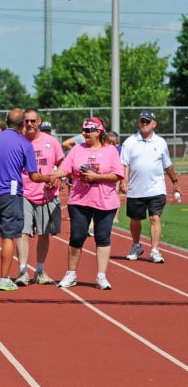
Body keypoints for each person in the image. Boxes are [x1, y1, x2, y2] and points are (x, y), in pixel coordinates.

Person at [52, 117, 124, 290]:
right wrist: (53, 176)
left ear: (98, 132)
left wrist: (96, 177)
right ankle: (71, 274)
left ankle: (101, 276)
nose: (84, 134)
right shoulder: (77, 149)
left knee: (102, 237)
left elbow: (118, 175)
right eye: (83, 130)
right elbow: (65, 168)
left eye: (87, 131)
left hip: (105, 200)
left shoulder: (111, 151)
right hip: (79, 200)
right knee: (76, 237)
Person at [0, 109, 44, 291]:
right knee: (8, 238)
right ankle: (4, 279)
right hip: (11, 196)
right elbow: (34, 175)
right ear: (23, 124)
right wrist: (50, 177)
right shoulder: (24, 144)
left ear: (6, 121)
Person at [120, 110, 181, 264]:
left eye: (147, 121)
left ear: (154, 124)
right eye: (142, 121)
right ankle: (136, 245)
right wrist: (123, 181)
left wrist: (174, 182)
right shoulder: (130, 142)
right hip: (135, 190)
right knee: (135, 220)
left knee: (155, 218)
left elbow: (167, 164)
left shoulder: (160, 142)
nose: (144, 124)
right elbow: (124, 163)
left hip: (156, 188)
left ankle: (154, 250)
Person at [15, 109, 65, 285]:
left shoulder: (51, 142)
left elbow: (62, 164)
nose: (29, 124)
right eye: (26, 121)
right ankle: (22, 271)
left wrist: (57, 179)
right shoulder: (19, 142)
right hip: (24, 193)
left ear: (39, 121)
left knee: (44, 234)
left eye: (32, 121)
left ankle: (40, 270)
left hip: (47, 194)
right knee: (22, 232)